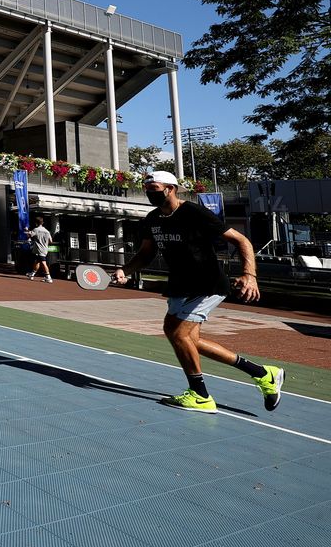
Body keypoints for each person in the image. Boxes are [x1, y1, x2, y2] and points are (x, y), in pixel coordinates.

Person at [115, 171, 284, 414]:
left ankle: (200, 395)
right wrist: (125, 270)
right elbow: (145, 254)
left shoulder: (194, 213)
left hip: (207, 284)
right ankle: (263, 374)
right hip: (180, 285)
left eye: (154, 187)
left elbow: (242, 240)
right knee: (190, 340)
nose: (150, 192)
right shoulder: (152, 219)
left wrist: (250, 275)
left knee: (177, 333)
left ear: (171, 189)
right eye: (147, 188)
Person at [27, 217, 55, 283]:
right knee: (37, 261)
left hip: (39, 249)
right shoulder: (47, 231)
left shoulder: (36, 230)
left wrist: (27, 230)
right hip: (45, 249)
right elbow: (51, 241)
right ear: (42, 223)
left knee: (43, 263)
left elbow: (29, 236)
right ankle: (32, 274)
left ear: (36, 223)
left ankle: (48, 277)